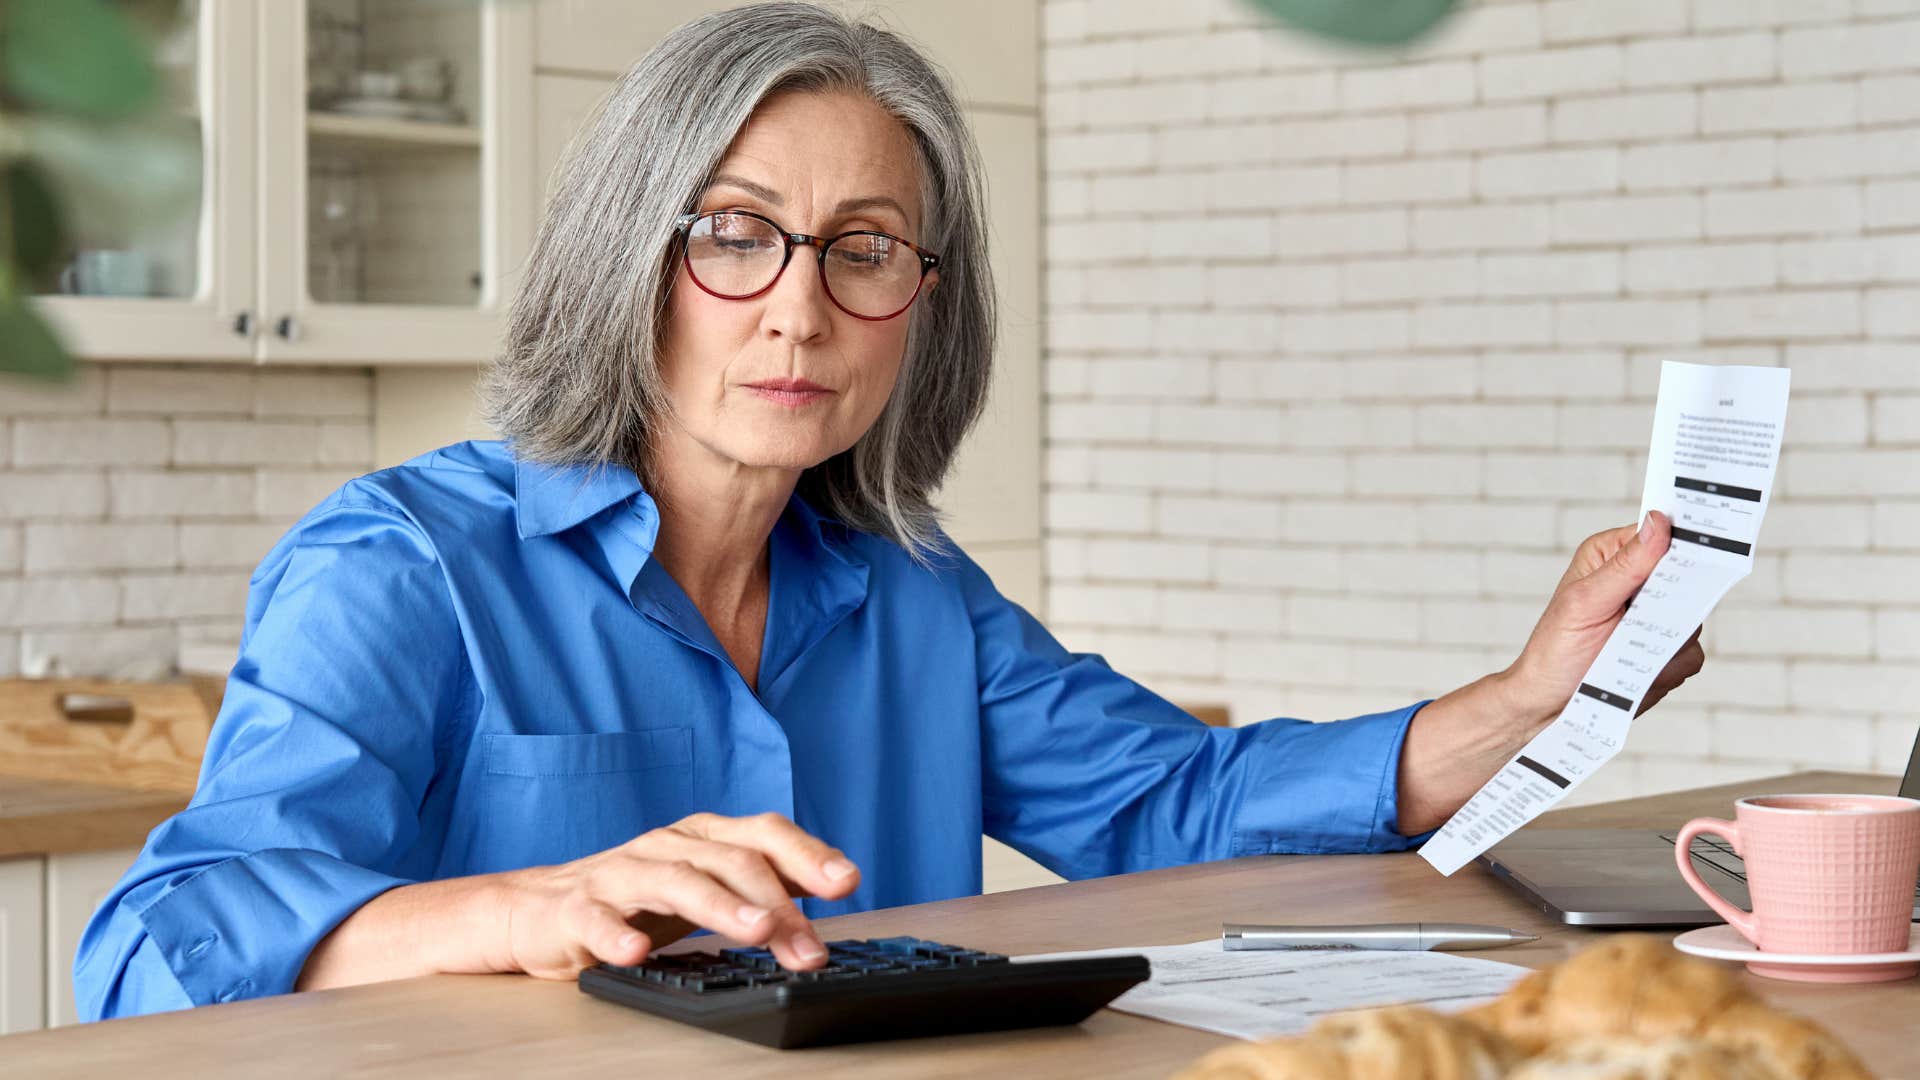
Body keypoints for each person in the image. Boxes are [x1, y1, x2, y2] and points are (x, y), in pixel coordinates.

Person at [75, 2, 1704, 1020]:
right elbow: (153, 950)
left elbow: (1178, 807)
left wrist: (1530, 699)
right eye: (734, 235)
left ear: (922, 306)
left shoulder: (914, 592)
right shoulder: (402, 566)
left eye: (862, 250)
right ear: (628, 261)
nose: (798, 310)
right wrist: (528, 908)